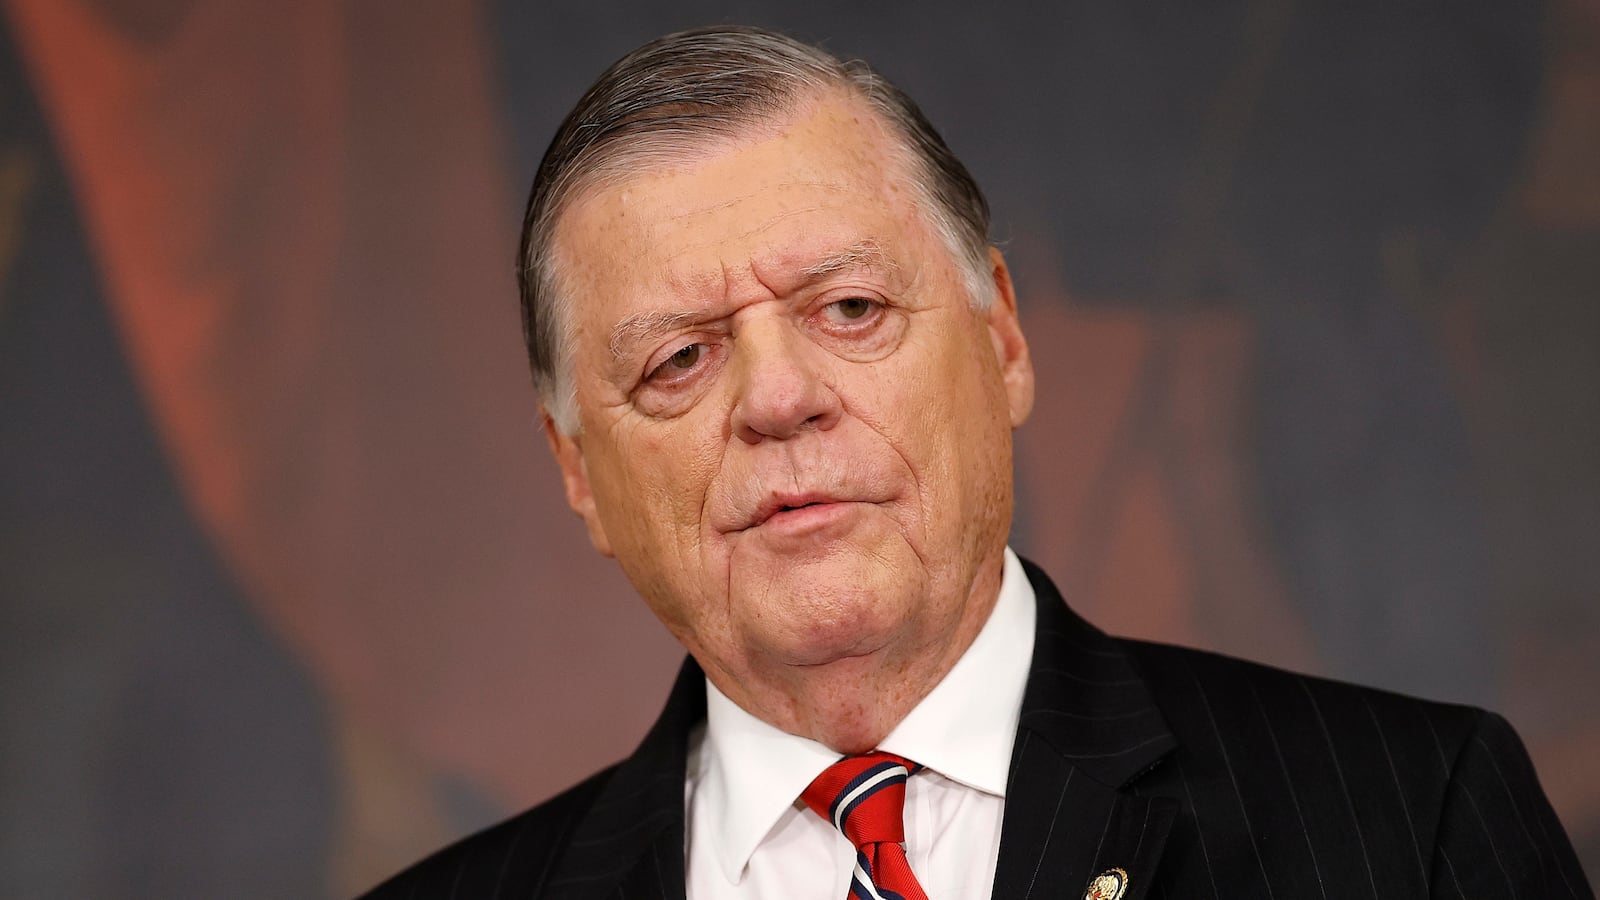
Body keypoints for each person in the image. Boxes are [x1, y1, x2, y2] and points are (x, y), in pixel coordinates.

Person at [361, 25, 1591, 900]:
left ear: (1001, 337)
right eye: (678, 360)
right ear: (579, 472)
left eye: (848, 309)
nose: (778, 398)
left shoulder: (1407, 823)